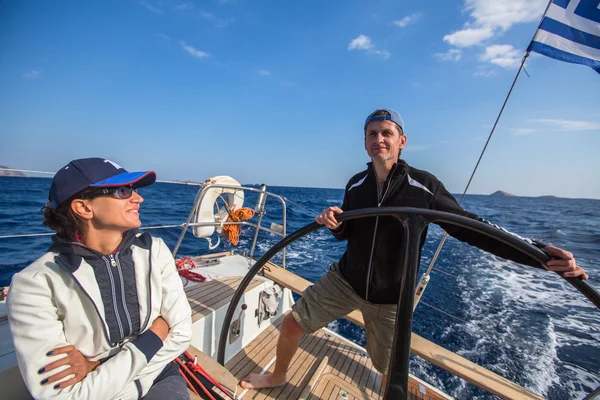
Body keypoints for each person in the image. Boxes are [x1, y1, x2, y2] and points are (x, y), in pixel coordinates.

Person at [240, 108, 589, 391]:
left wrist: (538, 254)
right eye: (372, 134)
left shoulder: (424, 187)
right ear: (364, 143)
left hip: (393, 296)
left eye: (386, 133)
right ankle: (277, 376)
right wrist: (338, 223)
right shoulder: (356, 184)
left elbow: (472, 227)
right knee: (291, 324)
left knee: (389, 371)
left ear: (401, 141)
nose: (379, 138)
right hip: (346, 280)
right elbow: (348, 234)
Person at [7, 158, 193, 399]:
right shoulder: (35, 283)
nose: (138, 198)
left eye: (134, 190)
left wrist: (95, 367)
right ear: (84, 208)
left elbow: (181, 335)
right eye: (123, 191)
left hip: (158, 380)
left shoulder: (154, 251)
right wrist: (157, 333)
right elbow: (63, 396)